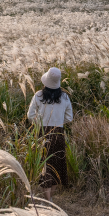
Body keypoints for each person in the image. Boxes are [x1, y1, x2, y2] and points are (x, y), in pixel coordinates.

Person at [27, 66, 73, 201]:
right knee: (57, 165)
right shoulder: (64, 97)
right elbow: (69, 118)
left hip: (42, 132)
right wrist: (58, 122)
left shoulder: (38, 95)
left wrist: (39, 123)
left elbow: (30, 115)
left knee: (44, 166)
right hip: (58, 133)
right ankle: (50, 198)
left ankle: (47, 200)